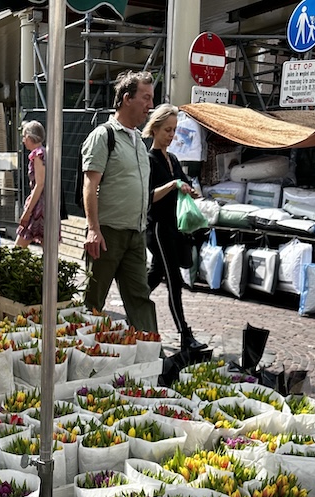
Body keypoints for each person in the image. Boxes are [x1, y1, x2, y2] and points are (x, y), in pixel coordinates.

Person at [81, 69, 157, 334]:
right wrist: (93, 229)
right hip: (107, 234)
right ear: (127, 98)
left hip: (136, 234)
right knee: (92, 301)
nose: (150, 105)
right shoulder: (104, 136)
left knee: (141, 299)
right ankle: (76, 353)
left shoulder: (138, 140)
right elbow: (90, 184)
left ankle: (152, 356)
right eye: (146, 98)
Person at [145, 104, 205, 352]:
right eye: (167, 130)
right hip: (158, 228)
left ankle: (132, 306)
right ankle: (184, 334)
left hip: (174, 227)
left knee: (155, 276)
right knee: (174, 281)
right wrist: (172, 185)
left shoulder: (174, 159)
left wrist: (190, 190)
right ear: (155, 129)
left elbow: (183, 184)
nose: (171, 135)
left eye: (174, 130)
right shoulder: (149, 159)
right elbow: (148, 196)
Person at [16, 120, 46, 248]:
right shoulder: (46, 152)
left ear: (28, 137)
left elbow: (39, 184)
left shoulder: (37, 155)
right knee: (48, 247)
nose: (23, 140)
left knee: (18, 248)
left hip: (38, 205)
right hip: (49, 204)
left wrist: (28, 211)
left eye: (24, 137)